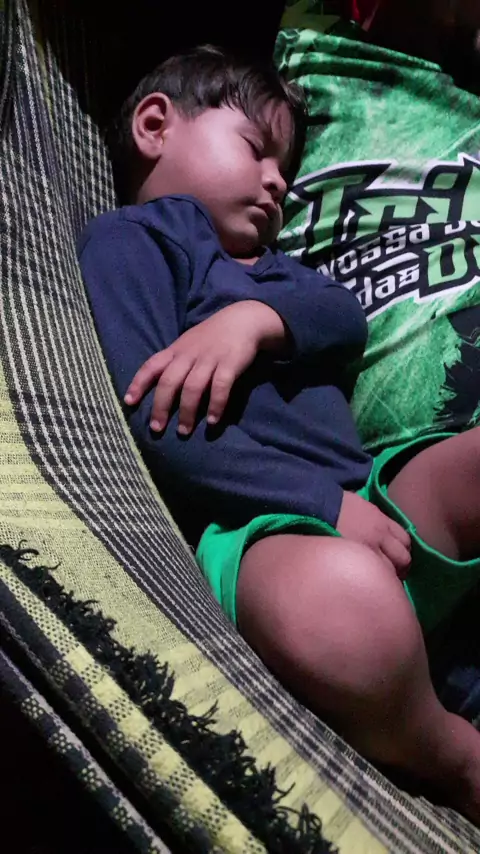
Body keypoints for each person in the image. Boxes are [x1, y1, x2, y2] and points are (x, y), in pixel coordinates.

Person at [78, 45, 480, 822]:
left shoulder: (271, 268)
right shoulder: (129, 242)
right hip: (265, 529)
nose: (279, 182)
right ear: (155, 126)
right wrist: (319, 506)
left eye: (286, 168)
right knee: (343, 604)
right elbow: (157, 425)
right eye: (255, 148)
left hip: (375, 498)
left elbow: (343, 318)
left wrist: (254, 320)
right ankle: (447, 751)